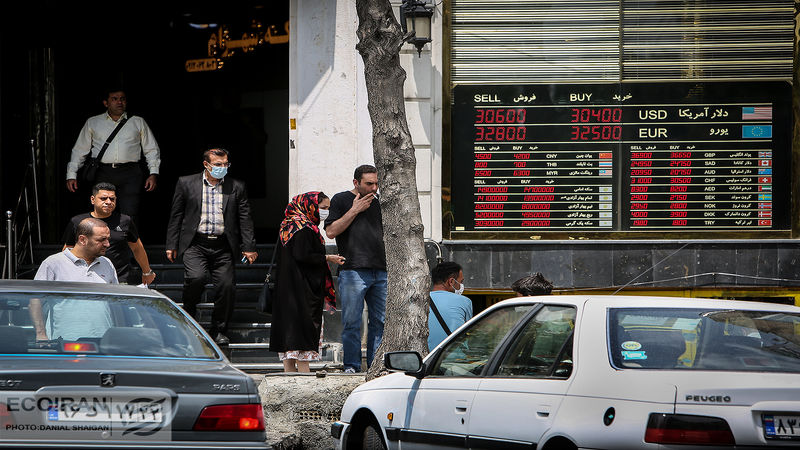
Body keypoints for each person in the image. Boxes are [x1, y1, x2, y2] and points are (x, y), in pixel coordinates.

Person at [165, 148, 258, 345]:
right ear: (206, 165)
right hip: (195, 243)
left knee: (226, 286)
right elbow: (176, 215)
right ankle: (189, 320)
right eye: (218, 165)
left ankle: (219, 330)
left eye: (226, 164)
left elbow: (245, 218)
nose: (222, 168)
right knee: (195, 278)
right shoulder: (186, 183)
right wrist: (171, 244)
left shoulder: (236, 186)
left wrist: (249, 246)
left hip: (224, 246)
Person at [269, 192, 345, 372]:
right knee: (302, 337)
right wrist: (327, 257)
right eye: (323, 208)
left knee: (289, 344)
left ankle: (290, 378)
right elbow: (303, 256)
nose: (325, 212)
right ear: (309, 206)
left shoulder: (288, 225)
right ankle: (304, 377)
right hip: (302, 291)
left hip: (287, 291)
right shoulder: (304, 228)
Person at [324, 164, 387, 373]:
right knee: (352, 321)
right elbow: (331, 232)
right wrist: (355, 210)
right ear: (356, 183)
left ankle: (375, 367)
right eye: (369, 184)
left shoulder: (382, 202)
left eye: (376, 184)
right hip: (352, 270)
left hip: (381, 270)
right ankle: (351, 366)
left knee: (380, 322)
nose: (374, 188)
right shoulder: (341, 199)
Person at [65, 88, 161, 222]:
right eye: (114, 99)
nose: (119, 102)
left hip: (130, 173)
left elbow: (151, 149)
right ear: (106, 103)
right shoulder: (93, 122)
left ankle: (129, 242)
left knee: (130, 214)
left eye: (122, 99)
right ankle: (105, 242)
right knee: (102, 212)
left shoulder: (138, 122)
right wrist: (71, 174)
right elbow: (80, 151)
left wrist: (153, 173)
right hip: (103, 172)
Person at [31, 217, 117, 340]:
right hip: (63, 344)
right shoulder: (53, 263)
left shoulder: (107, 263)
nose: (107, 244)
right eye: (102, 239)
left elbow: (117, 303)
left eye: (108, 239)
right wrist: (40, 334)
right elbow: (35, 301)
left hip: (103, 343)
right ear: (83, 239)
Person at [61, 182, 156, 286]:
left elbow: (137, 248)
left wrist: (147, 271)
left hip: (119, 278)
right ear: (93, 199)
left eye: (112, 199)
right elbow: (67, 250)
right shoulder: (78, 221)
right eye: (103, 198)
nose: (108, 202)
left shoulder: (125, 221)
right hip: (85, 277)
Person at [428, 261, 473, 350]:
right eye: (461, 281)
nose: (461, 286)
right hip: (455, 360)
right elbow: (468, 332)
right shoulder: (465, 301)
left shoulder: (422, 301)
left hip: (429, 359)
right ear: (451, 281)